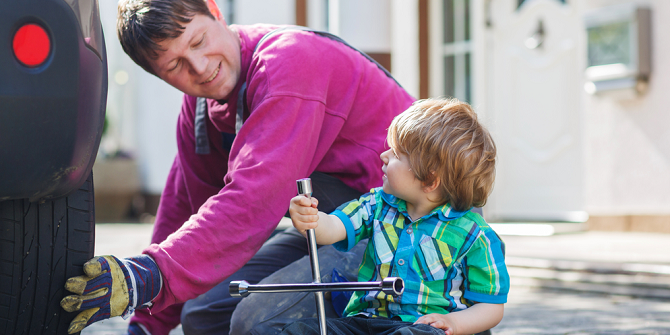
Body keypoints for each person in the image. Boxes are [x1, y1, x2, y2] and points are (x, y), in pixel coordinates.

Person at [58, 0, 415, 334]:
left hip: (408, 227)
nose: (199, 67)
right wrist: (146, 322)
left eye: (198, 41)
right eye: (175, 65)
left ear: (214, 10)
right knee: (202, 313)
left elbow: (255, 198)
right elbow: (184, 212)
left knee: (256, 319)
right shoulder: (201, 114)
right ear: (160, 77)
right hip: (329, 224)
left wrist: (151, 274)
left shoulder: (289, 63)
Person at [283, 98, 509, 335]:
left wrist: (454, 323)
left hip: (422, 327)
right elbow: (335, 227)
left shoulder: (476, 236)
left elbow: (491, 307)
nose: (384, 156)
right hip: (364, 322)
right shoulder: (377, 204)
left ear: (430, 180)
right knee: (297, 331)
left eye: (397, 154)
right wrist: (312, 219)